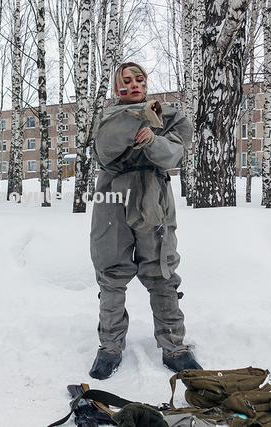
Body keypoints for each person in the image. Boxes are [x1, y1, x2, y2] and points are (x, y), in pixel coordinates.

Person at [88, 62, 202, 379]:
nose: (134, 84)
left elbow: (174, 155)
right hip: (111, 197)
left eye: (140, 79)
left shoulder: (169, 116)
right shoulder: (107, 118)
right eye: (126, 81)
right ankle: (109, 347)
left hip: (154, 195)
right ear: (116, 88)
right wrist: (139, 119)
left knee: (162, 269)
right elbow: (106, 150)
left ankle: (174, 347)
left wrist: (153, 139)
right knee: (111, 272)